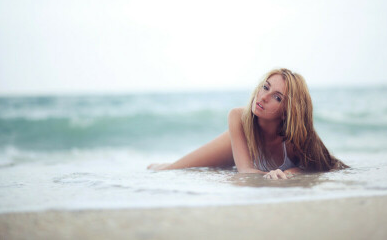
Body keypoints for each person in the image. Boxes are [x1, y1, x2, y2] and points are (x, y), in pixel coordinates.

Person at [147, 68, 348, 179]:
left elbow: (318, 166)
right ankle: (161, 165)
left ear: (288, 111)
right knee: (171, 171)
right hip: (239, 141)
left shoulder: (296, 140)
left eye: (277, 97)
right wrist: (275, 175)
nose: (264, 97)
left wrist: (291, 172)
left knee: (221, 172)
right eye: (265, 87)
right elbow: (245, 171)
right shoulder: (237, 116)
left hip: (257, 152)